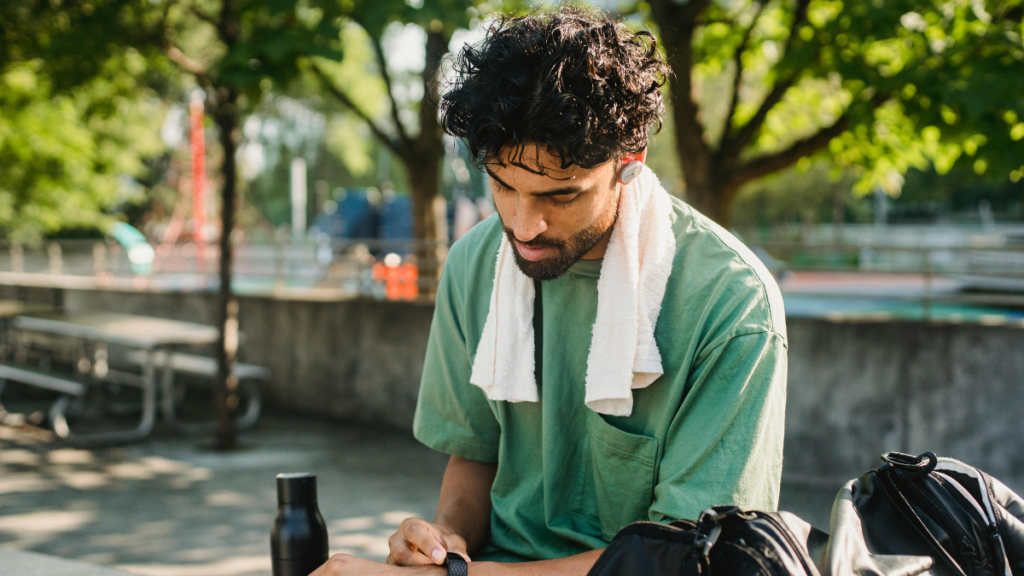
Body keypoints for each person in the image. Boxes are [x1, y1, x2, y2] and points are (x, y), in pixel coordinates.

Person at [312, 5, 787, 576]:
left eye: (560, 196)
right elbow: (478, 454)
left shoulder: (731, 304)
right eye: (503, 184)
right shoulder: (474, 262)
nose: (522, 225)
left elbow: (693, 558)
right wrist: (446, 542)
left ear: (628, 162)